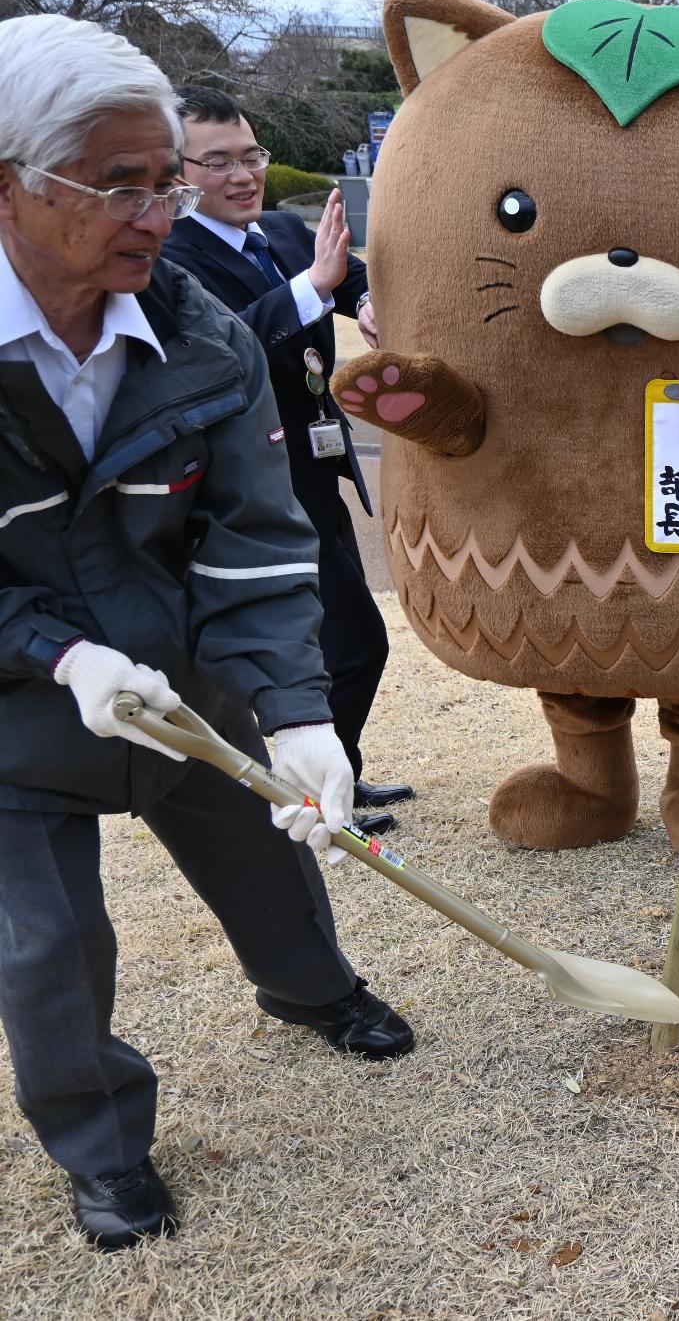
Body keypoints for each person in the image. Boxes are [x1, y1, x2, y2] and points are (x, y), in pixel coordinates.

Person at [0, 16, 417, 1252]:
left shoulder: (199, 333)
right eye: (118, 184)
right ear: (9, 183)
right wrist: (60, 657)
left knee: (268, 847)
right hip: (22, 704)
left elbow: (256, 532)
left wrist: (294, 710)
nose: (158, 212)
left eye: (166, 179)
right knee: (49, 947)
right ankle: (102, 1146)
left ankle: (312, 989)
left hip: (182, 676)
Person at [161, 85, 410, 835]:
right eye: (219, 163)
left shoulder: (277, 228)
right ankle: (309, 794)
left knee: (347, 643)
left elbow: (345, 273)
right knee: (351, 641)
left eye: (252, 156)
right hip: (247, 490)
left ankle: (342, 775)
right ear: (176, 174)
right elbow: (223, 346)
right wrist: (314, 287)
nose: (244, 176)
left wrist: (359, 299)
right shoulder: (171, 259)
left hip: (313, 471)